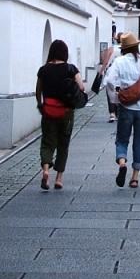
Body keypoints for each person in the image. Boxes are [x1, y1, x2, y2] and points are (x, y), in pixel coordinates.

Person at [102, 32, 140, 188]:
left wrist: (117, 94)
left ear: (123, 48)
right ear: (136, 46)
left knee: (122, 138)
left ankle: (122, 162)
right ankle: (135, 177)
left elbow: (109, 81)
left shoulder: (119, 61)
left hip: (125, 106)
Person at [35, 39, 87, 191]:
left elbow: (38, 91)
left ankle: (46, 170)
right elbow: (81, 87)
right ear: (65, 53)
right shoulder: (71, 69)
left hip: (48, 110)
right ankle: (58, 178)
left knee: (47, 142)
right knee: (63, 144)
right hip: (66, 112)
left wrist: (40, 104)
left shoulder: (43, 70)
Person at [99, 37, 120, 122]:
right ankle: (118, 113)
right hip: (121, 73)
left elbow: (106, 62)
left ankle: (112, 113)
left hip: (111, 72)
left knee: (110, 92)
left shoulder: (112, 48)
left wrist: (101, 71)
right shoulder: (126, 49)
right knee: (119, 91)